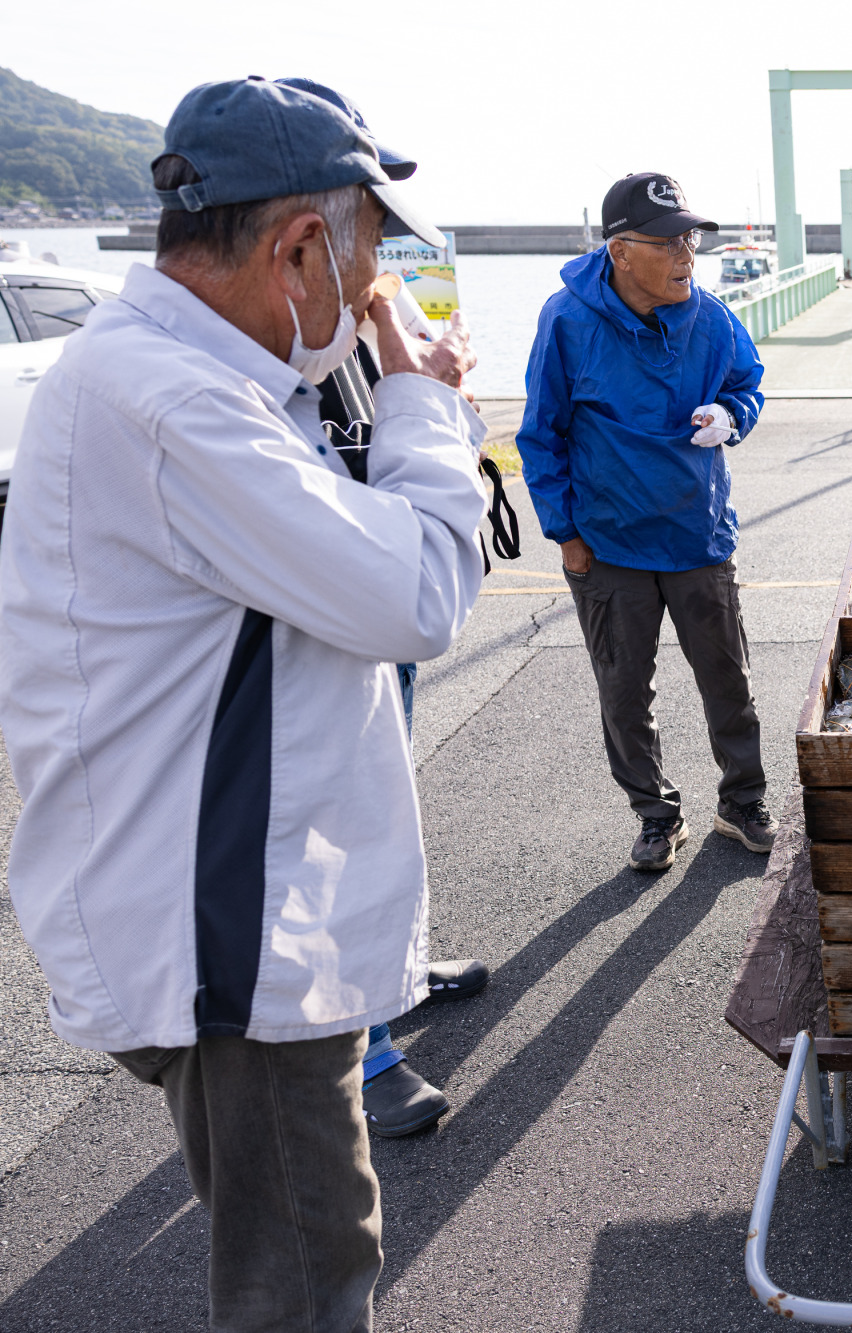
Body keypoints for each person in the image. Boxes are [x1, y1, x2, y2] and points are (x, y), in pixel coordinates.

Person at [0, 78, 485, 1330]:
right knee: (309, 1282)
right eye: (371, 250)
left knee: (308, 1265)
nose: (378, 285)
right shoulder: (177, 406)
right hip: (236, 946)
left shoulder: (186, 376)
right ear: (299, 248)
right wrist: (425, 400)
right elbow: (417, 590)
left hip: (230, 910)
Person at [275, 75, 490, 1140]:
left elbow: (419, 442)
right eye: (366, 221)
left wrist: (408, 350)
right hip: (337, 609)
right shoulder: (256, 355)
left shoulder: (346, 319)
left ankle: (386, 979)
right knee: (330, 827)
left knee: (382, 797)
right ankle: (365, 1051)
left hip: (368, 601)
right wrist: (420, 378)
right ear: (300, 233)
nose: (378, 253)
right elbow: (408, 590)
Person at [517, 172, 773, 871]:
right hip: (609, 547)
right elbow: (540, 435)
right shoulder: (567, 322)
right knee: (625, 692)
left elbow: (746, 382)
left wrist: (730, 416)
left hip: (698, 537)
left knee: (729, 679)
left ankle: (742, 800)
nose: (687, 254)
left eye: (690, 237)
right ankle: (656, 814)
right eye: (668, 242)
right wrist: (565, 535)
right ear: (622, 251)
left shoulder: (713, 317)